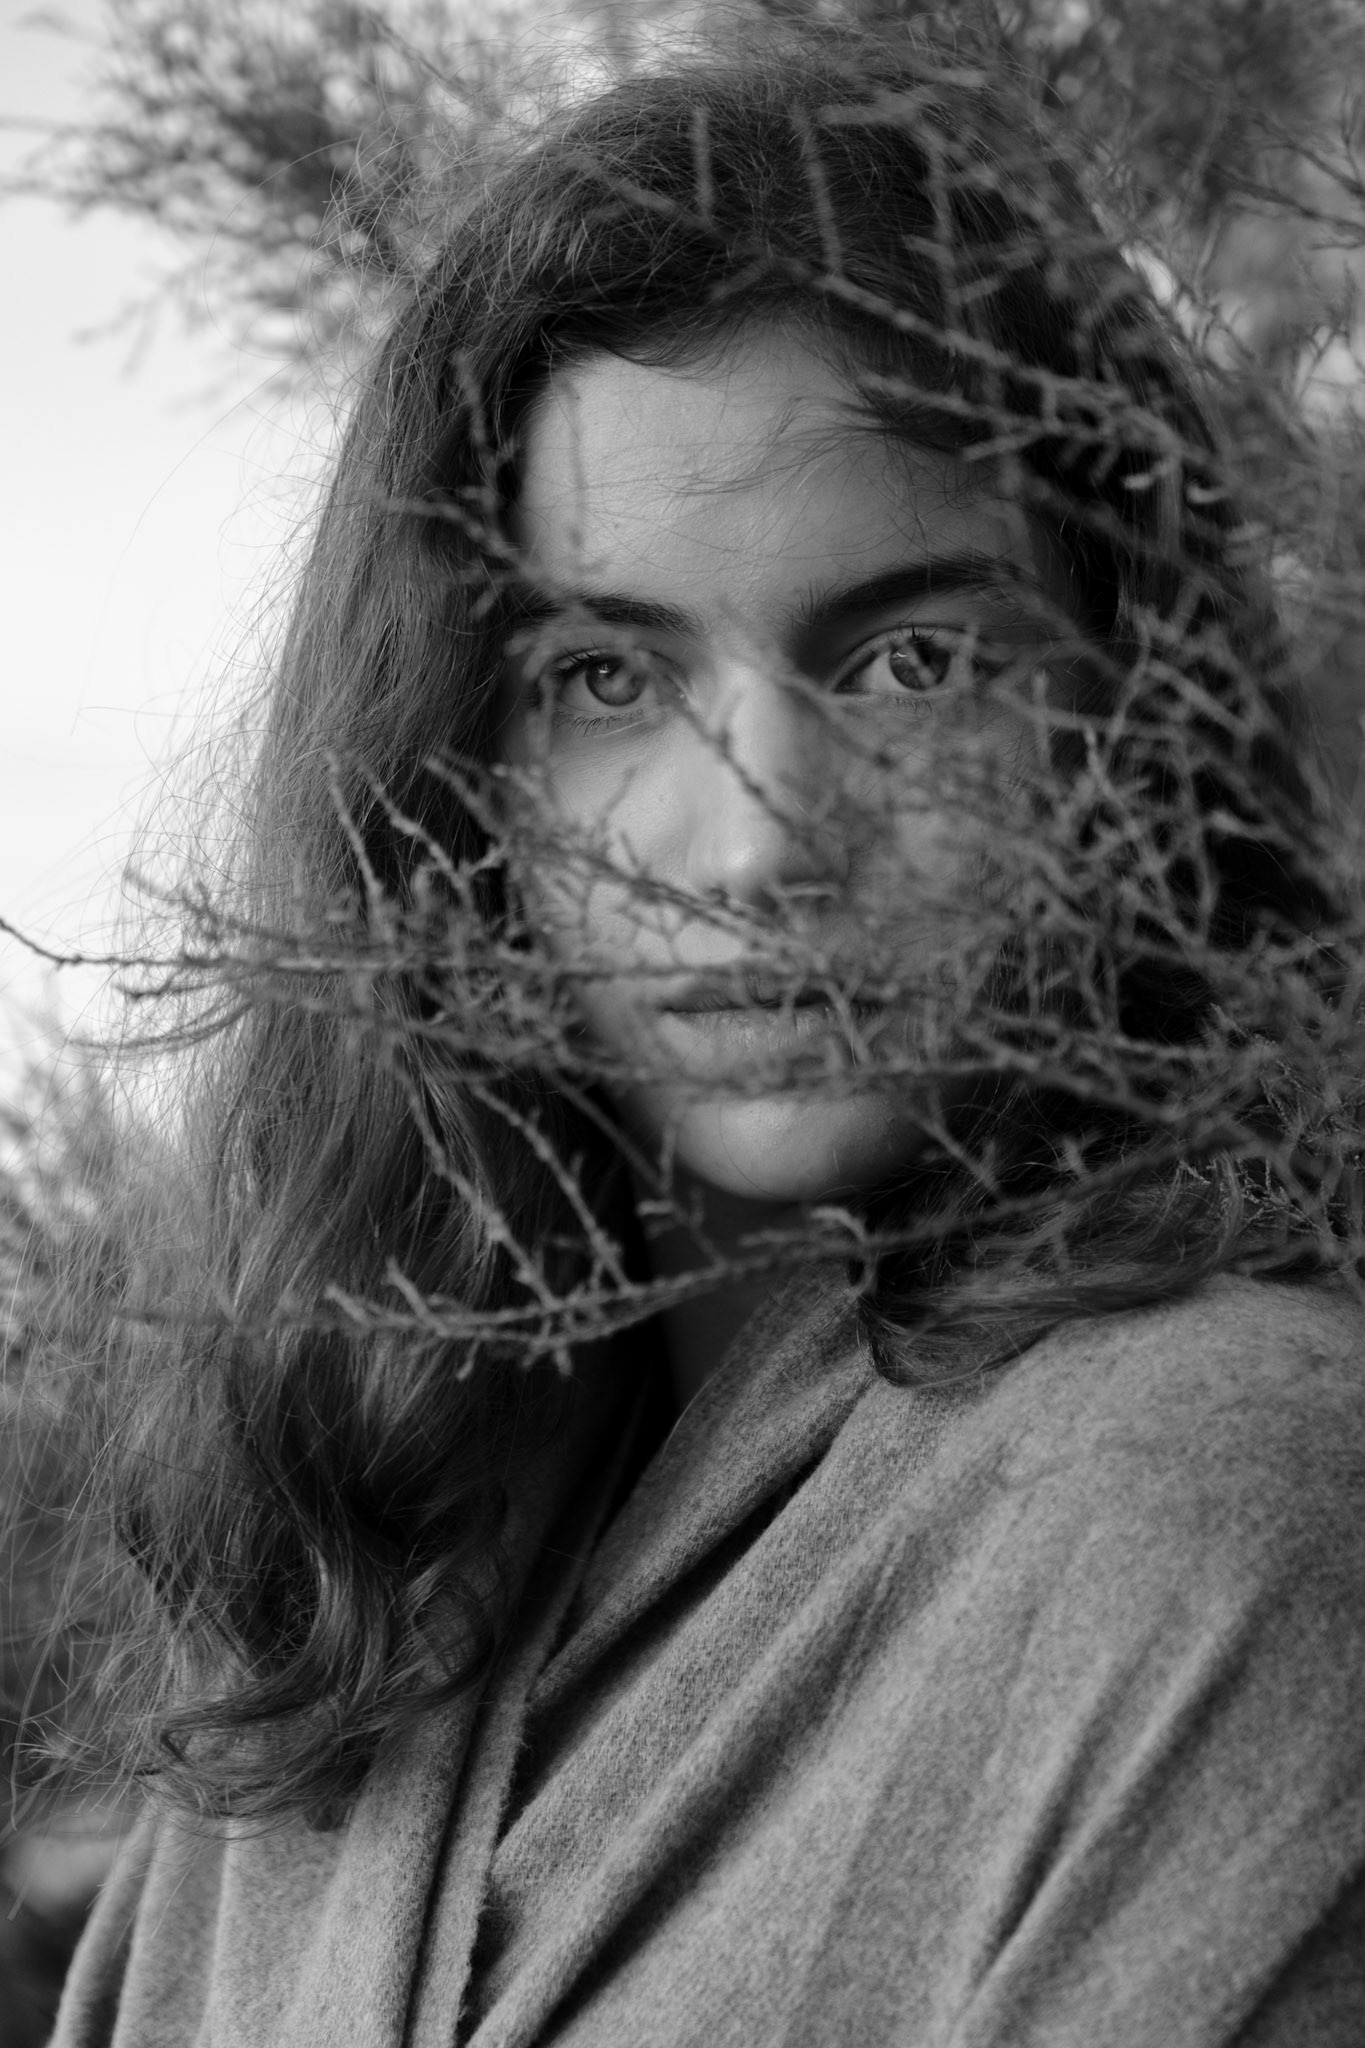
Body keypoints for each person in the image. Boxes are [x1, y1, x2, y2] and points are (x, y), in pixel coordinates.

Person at [36, 23, 1365, 2047]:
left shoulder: (1212, 1506)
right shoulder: (379, 1588)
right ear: (447, 783)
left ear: (1125, 717)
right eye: (602, 678)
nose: (753, 843)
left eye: (911, 660)